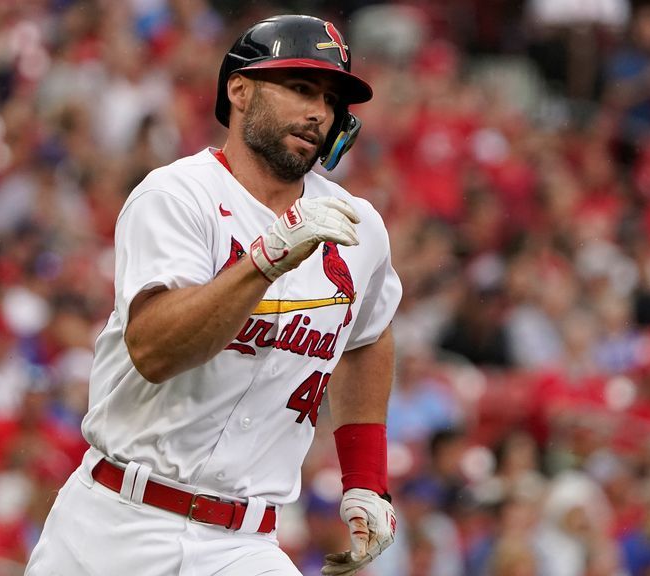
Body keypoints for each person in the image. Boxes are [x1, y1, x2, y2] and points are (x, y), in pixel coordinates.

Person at [26, 14, 402, 576]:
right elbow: (156, 352)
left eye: (331, 98)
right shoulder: (177, 196)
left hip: (243, 544)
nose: (318, 112)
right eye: (300, 88)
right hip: (116, 523)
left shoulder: (356, 226)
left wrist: (366, 479)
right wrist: (265, 260)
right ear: (239, 89)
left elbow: (369, 335)